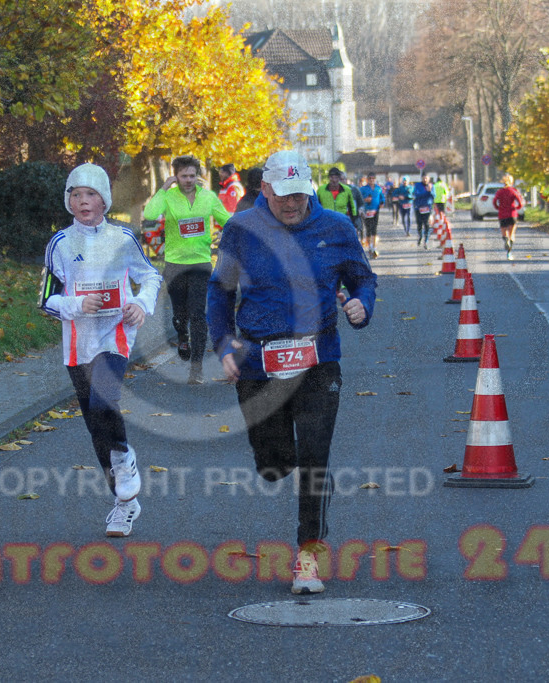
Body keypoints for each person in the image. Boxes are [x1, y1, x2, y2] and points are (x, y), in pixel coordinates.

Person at [207, 150, 377, 595]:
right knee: (274, 460)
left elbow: (363, 279)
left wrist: (362, 304)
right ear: (264, 189)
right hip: (258, 360)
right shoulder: (242, 229)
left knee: (315, 457)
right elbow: (219, 291)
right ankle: (274, 459)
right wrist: (223, 344)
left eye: (299, 194)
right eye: (282, 194)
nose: (291, 203)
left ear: (311, 189)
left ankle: (308, 555)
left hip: (318, 358)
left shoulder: (336, 228)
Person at [41, 163, 162, 538]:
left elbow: (150, 276)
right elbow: (47, 300)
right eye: (75, 194)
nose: (83, 201)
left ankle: (125, 458)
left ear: (104, 200)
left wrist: (141, 304)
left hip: (115, 335)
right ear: (68, 201)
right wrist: (77, 306)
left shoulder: (123, 238)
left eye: (90, 194)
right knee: (96, 428)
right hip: (78, 342)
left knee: (102, 401)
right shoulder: (59, 244)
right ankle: (124, 504)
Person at [143, 155, 231, 384]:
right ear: (176, 176)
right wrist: (163, 188)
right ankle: (182, 335)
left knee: (198, 315)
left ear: (197, 175)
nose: (189, 180)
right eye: (184, 176)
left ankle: (196, 368)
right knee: (180, 315)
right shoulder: (169, 197)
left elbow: (227, 220)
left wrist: (229, 232)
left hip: (201, 263)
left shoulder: (208, 197)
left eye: (192, 175)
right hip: (175, 264)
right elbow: (151, 214)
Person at [493, 173, 525, 260]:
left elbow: (494, 201)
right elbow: (520, 202)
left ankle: (506, 239)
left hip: (502, 214)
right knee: (512, 234)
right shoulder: (514, 191)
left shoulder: (500, 191)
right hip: (512, 214)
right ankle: (509, 253)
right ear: (512, 182)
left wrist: (498, 207)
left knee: (504, 232)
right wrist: (517, 208)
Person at [359, 172, 386, 257]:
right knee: (368, 228)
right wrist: (365, 199)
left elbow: (382, 197)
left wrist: (382, 202)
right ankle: (369, 247)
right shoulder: (363, 189)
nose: (371, 180)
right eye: (370, 178)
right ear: (367, 179)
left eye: (373, 178)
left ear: (375, 179)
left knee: (374, 228)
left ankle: (374, 247)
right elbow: (358, 199)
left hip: (375, 211)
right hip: (366, 211)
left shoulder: (378, 188)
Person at [413, 173, 434, 247]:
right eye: (424, 178)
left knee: (427, 224)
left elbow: (434, 196)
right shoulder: (417, 185)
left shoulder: (431, 186)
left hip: (427, 208)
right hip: (419, 208)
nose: (425, 180)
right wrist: (427, 192)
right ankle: (420, 236)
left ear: (429, 179)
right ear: (421, 178)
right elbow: (417, 195)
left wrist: (430, 191)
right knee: (419, 224)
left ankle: (426, 240)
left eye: (426, 178)